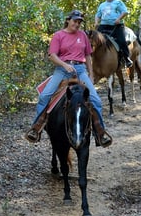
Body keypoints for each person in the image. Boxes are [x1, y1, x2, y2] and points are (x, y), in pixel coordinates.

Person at [25, 10, 112, 148]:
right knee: (45, 96)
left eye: (79, 22)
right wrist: (65, 65)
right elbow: (52, 55)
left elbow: (88, 56)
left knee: (96, 99)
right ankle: (36, 128)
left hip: (80, 69)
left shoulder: (83, 35)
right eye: (75, 21)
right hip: (62, 70)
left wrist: (90, 74)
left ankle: (100, 133)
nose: (77, 24)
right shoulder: (58, 35)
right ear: (68, 20)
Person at [95, 0, 133, 68]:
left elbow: (125, 11)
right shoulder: (102, 5)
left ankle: (127, 59)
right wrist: (96, 22)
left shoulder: (118, 2)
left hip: (116, 25)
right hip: (103, 25)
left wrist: (119, 19)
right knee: (94, 39)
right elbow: (98, 15)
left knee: (122, 41)